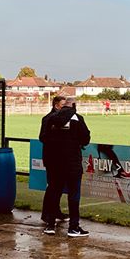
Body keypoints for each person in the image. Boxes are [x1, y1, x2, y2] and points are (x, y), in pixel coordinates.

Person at [40, 95, 91, 237]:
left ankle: (50, 225)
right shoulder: (77, 119)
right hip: (72, 163)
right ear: (73, 106)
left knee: (54, 192)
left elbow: (44, 138)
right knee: (74, 195)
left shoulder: (50, 119)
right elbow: (86, 139)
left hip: (55, 163)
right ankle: (73, 227)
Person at [39, 95, 69, 224]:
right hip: (53, 158)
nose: (65, 108)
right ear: (56, 105)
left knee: (57, 186)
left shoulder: (57, 119)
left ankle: (55, 211)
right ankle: (47, 214)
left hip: (58, 158)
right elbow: (42, 137)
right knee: (53, 186)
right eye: (63, 105)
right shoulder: (48, 119)